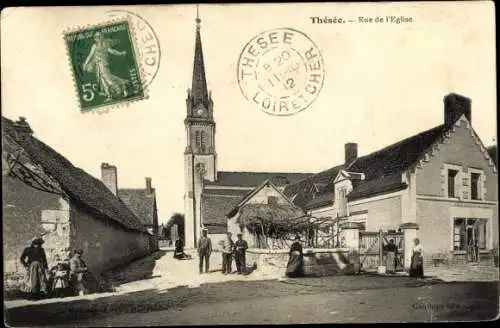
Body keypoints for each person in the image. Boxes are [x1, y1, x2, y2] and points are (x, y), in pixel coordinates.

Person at [82, 31, 128, 102]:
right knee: (102, 81)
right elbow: (90, 56)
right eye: (97, 36)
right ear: (94, 39)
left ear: (102, 36)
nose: (98, 38)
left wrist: (121, 53)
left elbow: (112, 51)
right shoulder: (94, 46)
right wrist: (85, 64)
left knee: (108, 78)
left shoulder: (105, 44)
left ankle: (120, 89)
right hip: (97, 66)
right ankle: (109, 95)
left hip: (103, 64)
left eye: (100, 36)